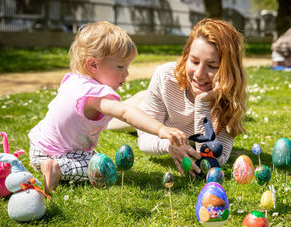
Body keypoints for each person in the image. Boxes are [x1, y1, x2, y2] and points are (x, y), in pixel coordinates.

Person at [28, 21, 188, 194]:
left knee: (96, 158)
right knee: (103, 170)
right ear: (93, 65)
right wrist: (161, 129)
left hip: (38, 145)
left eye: (127, 67)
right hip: (57, 153)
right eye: (120, 66)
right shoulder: (96, 95)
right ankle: (56, 168)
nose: (126, 73)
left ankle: (41, 162)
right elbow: (126, 112)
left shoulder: (74, 80)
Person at [108, 18, 246, 177]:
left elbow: (216, 160)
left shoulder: (230, 97)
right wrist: (169, 145)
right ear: (186, 56)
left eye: (212, 66)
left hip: (174, 125)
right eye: (194, 61)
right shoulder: (165, 77)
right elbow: (145, 140)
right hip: (141, 105)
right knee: (106, 121)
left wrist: (202, 103)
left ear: (228, 69)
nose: (199, 74)